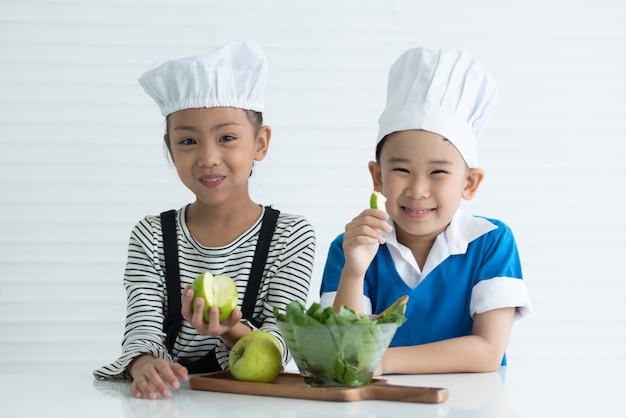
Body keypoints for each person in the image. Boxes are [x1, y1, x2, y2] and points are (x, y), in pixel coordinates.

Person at [93, 40, 316, 399]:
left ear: (260, 142)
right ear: (169, 147)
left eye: (227, 137)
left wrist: (229, 329)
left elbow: (281, 345)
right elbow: (142, 327)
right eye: (188, 141)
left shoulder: (290, 235)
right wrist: (144, 364)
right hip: (167, 401)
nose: (208, 157)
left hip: (248, 403)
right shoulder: (152, 234)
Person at [320, 46, 531, 375]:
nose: (418, 190)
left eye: (438, 172)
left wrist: (382, 359)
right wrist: (355, 271)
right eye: (402, 170)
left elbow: (488, 350)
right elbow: (343, 352)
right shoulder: (350, 248)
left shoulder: (491, 243)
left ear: (470, 183)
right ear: (378, 176)